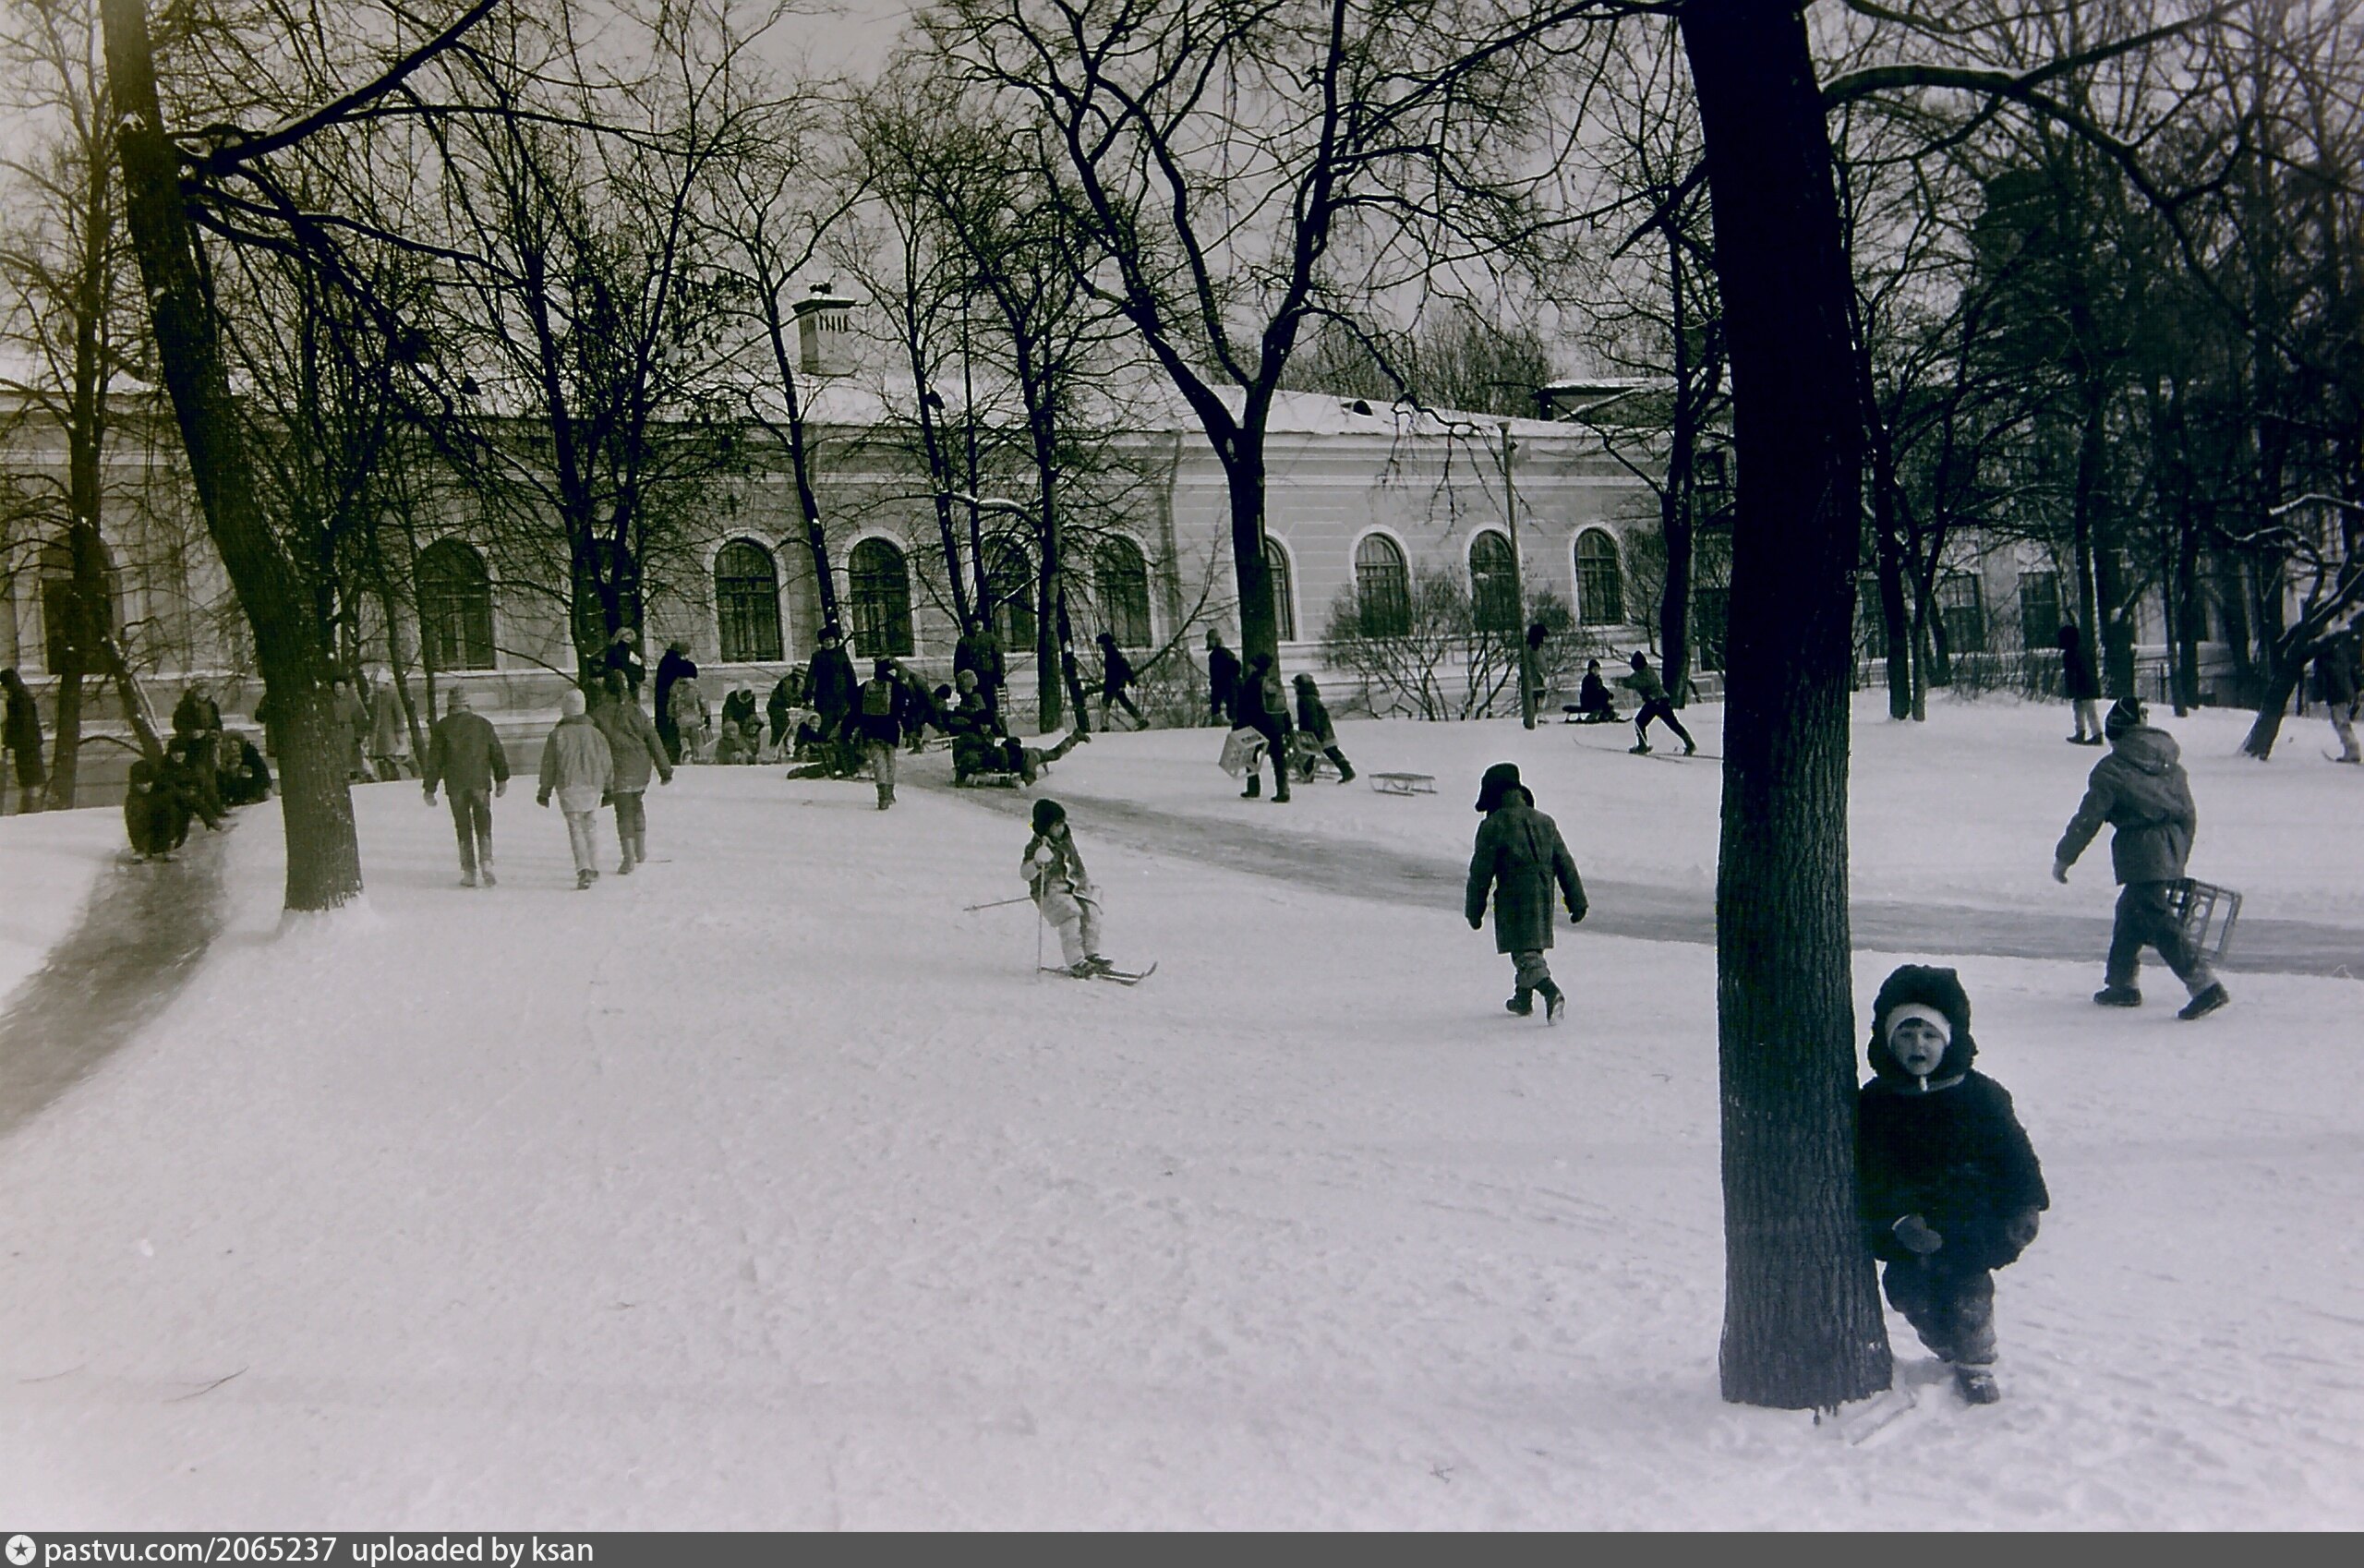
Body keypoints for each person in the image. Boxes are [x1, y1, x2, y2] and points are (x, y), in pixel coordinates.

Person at [1857, 964, 2050, 1406]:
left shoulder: (1979, 1094)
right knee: (1906, 1292)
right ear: (1889, 1042)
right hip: (1911, 1227)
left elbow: (2014, 1152)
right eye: (1905, 1036)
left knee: (1969, 1296)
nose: (1917, 1046)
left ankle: (1976, 1363)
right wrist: (1898, 1220)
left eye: (1929, 1035)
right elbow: (1872, 1169)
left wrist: (2025, 1203)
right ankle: (1945, 1347)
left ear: (1948, 1040)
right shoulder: (1877, 1102)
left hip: (1968, 1220)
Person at [2053, 695, 2228, 1019]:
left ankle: (2203, 985)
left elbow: (2088, 819)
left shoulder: (2113, 769)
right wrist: (2178, 856)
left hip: (2139, 850)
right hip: (2172, 844)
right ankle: (2122, 984)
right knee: (2130, 910)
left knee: (2157, 918)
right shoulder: (2171, 766)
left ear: (2117, 734)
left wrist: (2065, 857)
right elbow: (2189, 814)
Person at [1465, 762, 1586, 1023]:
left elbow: (1480, 873)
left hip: (1513, 896)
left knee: (1524, 952)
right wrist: (1577, 900)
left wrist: (1474, 910)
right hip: (1543, 894)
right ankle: (1522, 999)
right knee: (1531, 946)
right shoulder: (1544, 821)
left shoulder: (1494, 825)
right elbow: (1565, 862)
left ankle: (1550, 992)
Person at [422, 687, 510, 887]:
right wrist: (501, 778)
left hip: (455, 784)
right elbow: (496, 752)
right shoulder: (483, 724)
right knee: (483, 822)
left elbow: (434, 760)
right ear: (468, 703)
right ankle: (486, 863)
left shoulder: (442, 727)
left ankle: (469, 871)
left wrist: (429, 787)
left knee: (462, 826)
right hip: (480, 781)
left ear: (450, 704)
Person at [592, 670, 670, 874]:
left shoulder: (599, 714)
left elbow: (594, 745)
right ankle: (640, 850)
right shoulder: (637, 711)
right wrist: (664, 769)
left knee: (623, 811)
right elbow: (653, 739)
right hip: (641, 766)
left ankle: (628, 858)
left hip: (617, 767)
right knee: (637, 804)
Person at [537, 686, 615, 890]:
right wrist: (609, 787)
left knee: (575, 827)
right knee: (590, 824)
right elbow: (606, 761)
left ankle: (583, 868)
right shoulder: (596, 733)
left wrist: (544, 790)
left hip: (568, 785)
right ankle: (595, 865)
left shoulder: (558, 735)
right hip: (593, 784)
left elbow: (549, 764)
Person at [1023, 798, 1111, 978]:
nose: (1061, 829)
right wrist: (1037, 863)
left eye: (1062, 824)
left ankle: (1091, 954)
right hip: (1049, 891)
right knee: (1070, 915)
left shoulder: (1066, 842)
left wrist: (1084, 882)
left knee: (1090, 912)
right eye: (1056, 825)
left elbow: (1076, 864)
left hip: (1073, 887)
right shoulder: (1036, 847)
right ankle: (1076, 961)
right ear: (1046, 826)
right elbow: (1025, 873)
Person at [946, 668, 1034, 785]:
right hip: (974, 750)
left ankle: (1003, 772)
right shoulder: (970, 732)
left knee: (998, 753)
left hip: (980, 747)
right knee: (975, 756)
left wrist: (960, 712)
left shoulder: (976, 698)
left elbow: (978, 713)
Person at [1234, 651, 1292, 802]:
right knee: (1278, 758)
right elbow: (1283, 706)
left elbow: (1246, 707)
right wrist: (1287, 726)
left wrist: (1240, 726)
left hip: (1259, 726)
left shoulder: (1252, 683)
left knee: (1250, 755)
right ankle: (1283, 789)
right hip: (1276, 725)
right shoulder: (1274, 682)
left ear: (1255, 666)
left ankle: (1253, 787)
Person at [852, 657, 909, 809]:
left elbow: (855, 710)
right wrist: (910, 728)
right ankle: (889, 792)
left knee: (878, 762)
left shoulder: (866, 687)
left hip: (871, 729)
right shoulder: (895, 687)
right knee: (890, 761)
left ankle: (882, 794)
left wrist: (850, 728)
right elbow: (902, 710)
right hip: (890, 729)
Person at [123, 754, 197, 860]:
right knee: (135, 813)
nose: (145, 787)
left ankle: (167, 848)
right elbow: (133, 826)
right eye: (141, 784)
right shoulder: (133, 798)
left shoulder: (165, 790)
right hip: (147, 836)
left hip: (168, 832)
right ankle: (142, 849)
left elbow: (188, 804)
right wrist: (140, 847)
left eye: (148, 783)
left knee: (170, 810)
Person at [805, 623, 860, 767]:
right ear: (822, 643)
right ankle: (829, 762)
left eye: (831, 640)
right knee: (827, 729)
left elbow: (851, 675)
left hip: (842, 699)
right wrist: (807, 693)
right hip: (824, 699)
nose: (829, 642)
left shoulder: (842, 655)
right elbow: (811, 676)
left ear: (835, 640)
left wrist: (854, 694)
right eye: (826, 640)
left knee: (842, 728)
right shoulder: (817, 657)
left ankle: (845, 761)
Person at [1622, 650, 1695, 756]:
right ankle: (1689, 743)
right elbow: (1632, 680)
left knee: (1640, 722)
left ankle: (1642, 746)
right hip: (1661, 702)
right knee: (1673, 725)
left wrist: (1622, 682)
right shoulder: (1647, 671)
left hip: (1655, 703)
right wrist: (1622, 681)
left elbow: (1634, 682)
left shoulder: (1644, 674)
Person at [1290, 672, 1355, 782]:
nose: (1294, 687)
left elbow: (1311, 717)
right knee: (1314, 752)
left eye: (1296, 685)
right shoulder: (1309, 696)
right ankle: (1308, 773)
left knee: (1328, 750)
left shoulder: (1306, 699)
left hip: (1318, 730)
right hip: (1321, 729)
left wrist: (1314, 732)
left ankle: (1347, 770)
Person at [2, 667, 45, 814]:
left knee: (29, 780)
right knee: (30, 779)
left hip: (26, 746)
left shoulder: (18, 699)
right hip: (29, 744)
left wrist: (8, 742)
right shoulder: (22, 696)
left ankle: (30, 809)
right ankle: (30, 808)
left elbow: (18, 724)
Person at [2315, 625, 2359, 765]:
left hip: (2336, 692)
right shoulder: (2340, 652)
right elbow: (2352, 671)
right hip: (2346, 691)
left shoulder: (2324, 656)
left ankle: (2352, 751)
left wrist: (2319, 692)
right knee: (2341, 721)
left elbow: (2322, 677)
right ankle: (2351, 750)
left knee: (2340, 722)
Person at [955, 615, 1007, 728]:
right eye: (974, 622)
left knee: (991, 705)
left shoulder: (991, 639)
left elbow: (999, 659)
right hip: (971, 681)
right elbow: (958, 665)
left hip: (988, 679)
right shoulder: (964, 642)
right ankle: (975, 728)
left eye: (980, 621)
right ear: (970, 625)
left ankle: (995, 728)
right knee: (973, 706)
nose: (978, 624)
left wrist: (1000, 677)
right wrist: (960, 684)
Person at [2057, 622, 2103, 745]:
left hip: (2082, 686)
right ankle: (2090, 733)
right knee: (2085, 710)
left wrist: (2071, 688)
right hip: (2087, 685)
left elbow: (2073, 673)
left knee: (2085, 711)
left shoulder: (2071, 653)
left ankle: (2092, 734)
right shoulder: (2083, 649)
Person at [654, 639, 697, 764]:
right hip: (671, 705)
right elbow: (692, 671)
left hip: (668, 704)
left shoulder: (667, 661)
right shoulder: (673, 662)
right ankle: (672, 758)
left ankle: (672, 756)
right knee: (672, 733)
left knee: (670, 732)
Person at [1094, 631, 1146, 730]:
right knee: (1124, 702)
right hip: (1116, 683)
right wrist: (1131, 680)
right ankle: (1140, 719)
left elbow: (1120, 668)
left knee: (1105, 704)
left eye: (1101, 645)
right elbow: (1125, 667)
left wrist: (1130, 680)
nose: (1101, 648)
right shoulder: (1114, 653)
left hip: (1113, 684)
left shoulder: (1112, 654)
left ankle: (1104, 726)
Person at [368, 676, 411, 781]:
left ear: (384, 683)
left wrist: (399, 728)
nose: (374, 686)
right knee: (381, 756)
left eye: (376, 683)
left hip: (390, 731)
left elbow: (399, 713)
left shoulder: (392, 695)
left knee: (391, 755)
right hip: (379, 733)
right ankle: (385, 777)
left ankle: (395, 776)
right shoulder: (375, 697)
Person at [216, 730, 273, 807]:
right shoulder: (227, 756)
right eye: (231, 746)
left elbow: (257, 775)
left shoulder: (249, 758)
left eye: (236, 746)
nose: (234, 749)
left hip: (253, 788)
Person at [331, 677, 370, 781]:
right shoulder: (331, 702)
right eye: (336, 687)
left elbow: (361, 719)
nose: (338, 690)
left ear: (345, 688)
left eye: (341, 687)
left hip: (350, 733)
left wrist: (359, 735)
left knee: (352, 758)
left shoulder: (353, 702)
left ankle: (358, 776)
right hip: (336, 732)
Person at [669, 668, 711, 764]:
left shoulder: (674, 688)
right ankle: (696, 757)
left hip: (681, 720)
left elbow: (671, 705)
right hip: (695, 720)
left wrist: (671, 717)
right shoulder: (695, 688)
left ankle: (685, 753)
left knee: (683, 739)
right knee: (695, 741)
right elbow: (703, 702)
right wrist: (707, 715)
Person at [1204, 628, 1240, 728]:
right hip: (1229, 683)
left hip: (1222, 684)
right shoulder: (1227, 653)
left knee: (1219, 704)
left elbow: (1216, 672)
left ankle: (1220, 720)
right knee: (1230, 705)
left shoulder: (1217, 655)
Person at [604, 627, 646, 696]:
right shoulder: (615, 650)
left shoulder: (631, 653)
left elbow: (640, 675)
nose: (627, 643)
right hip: (617, 685)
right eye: (626, 640)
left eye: (629, 641)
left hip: (630, 686)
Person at [766, 671, 802, 753]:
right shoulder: (788, 683)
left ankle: (774, 750)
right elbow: (789, 698)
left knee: (777, 731)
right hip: (776, 707)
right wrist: (798, 703)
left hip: (779, 707)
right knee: (783, 729)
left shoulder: (793, 682)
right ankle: (787, 749)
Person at [1574, 658, 1618, 724]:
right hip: (1588, 701)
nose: (1596, 671)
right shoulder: (1587, 680)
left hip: (1597, 700)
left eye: (1597, 669)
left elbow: (1602, 688)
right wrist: (1601, 695)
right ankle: (1591, 717)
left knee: (1608, 706)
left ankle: (1607, 715)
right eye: (1594, 669)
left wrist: (1608, 694)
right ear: (1590, 670)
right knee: (1598, 706)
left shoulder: (1598, 680)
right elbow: (1591, 691)